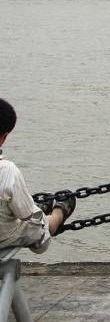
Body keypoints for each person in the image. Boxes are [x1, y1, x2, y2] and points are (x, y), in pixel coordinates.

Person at [0, 98, 76, 254]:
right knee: (38, 227)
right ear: (4, 136)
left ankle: (37, 207)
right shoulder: (7, 170)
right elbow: (26, 213)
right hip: (4, 236)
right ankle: (57, 215)